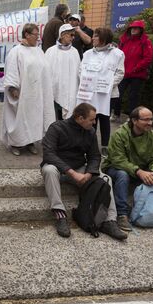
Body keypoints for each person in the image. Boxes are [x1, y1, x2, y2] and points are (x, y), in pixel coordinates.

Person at [41, 103, 127, 240]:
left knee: (106, 179)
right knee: (49, 170)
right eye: (92, 120)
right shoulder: (56, 128)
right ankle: (60, 216)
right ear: (80, 118)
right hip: (58, 168)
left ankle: (110, 221)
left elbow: (94, 156)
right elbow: (49, 155)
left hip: (80, 169)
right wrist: (72, 173)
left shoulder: (90, 132)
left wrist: (89, 173)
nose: (94, 123)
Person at [0, 23, 54, 156]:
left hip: (36, 93)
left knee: (34, 118)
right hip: (22, 92)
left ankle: (30, 142)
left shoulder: (39, 51)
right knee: (19, 119)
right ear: (27, 35)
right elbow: (12, 71)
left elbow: (44, 70)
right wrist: (13, 88)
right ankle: (15, 144)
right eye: (35, 35)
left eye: (38, 35)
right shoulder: (16, 52)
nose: (38, 37)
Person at [76, 27, 124, 157]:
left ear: (103, 39)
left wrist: (108, 85)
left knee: (104, 119)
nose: (93, 38)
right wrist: (87, 82)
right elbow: (81, 70)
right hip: (90, 93)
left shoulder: (117, 54)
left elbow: (120, 72)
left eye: (96, 36)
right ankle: (90, 145)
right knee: (91, 119)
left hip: (107, 94)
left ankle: (104, 145)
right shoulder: (87, 54)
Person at [111, 19, 153, 122]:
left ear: (140, 30)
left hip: (137, 75)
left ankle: (131, 118)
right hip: (124, 74)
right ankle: (116, 114)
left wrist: (136, 68)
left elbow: (148, 58)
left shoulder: (145, 42)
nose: (133, 30)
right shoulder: (125, 40)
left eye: (136, 28)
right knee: (117, 94)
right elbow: (118, 54)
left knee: (133, 97)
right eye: (132, 28)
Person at [45, 23, 80, 120]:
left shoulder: (75, 52)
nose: (73, 38)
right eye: (71, 35)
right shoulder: (50, 51)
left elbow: (77, 73)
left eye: (74, 35)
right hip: (54, 91)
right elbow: (46, 73)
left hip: (70, 91)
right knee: (54, 118)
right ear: (62, 35)